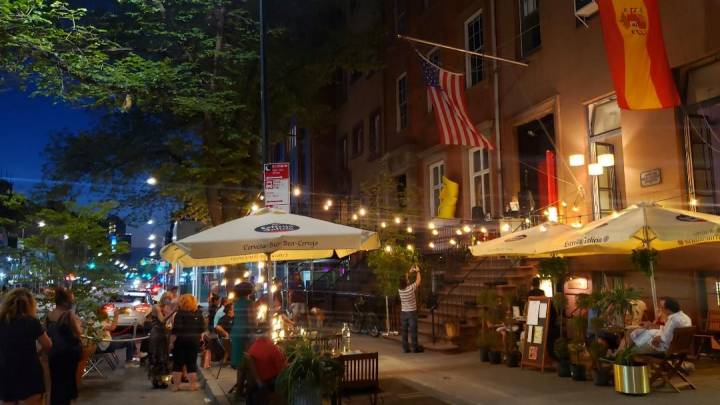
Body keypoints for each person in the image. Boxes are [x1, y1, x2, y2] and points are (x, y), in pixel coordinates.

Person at [0, 288, 53, 405]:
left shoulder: (2, 321)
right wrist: (39, 352)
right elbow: (48, 344)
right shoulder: (31, 321)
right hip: (29, 369)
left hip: (5, 369)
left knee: (7, 401)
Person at [46, 287, 82, 405]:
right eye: (71, 300)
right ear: (65, 302)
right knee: (67, 382)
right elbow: (78, 332)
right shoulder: (68, 315)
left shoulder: (49, 315)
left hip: (54, 353)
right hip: (68, 354)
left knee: (56, 381)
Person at [170, 294, 206, 391]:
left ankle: (176, 386)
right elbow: (201, 329)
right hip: (194, 341)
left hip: (180, 341)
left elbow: (176, 331)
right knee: (191, 363)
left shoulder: (180, 314)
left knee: (177, 363)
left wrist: (171, 343)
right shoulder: (199, 313)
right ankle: (192, 385)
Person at [246, 330, 286, 405]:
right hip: (269, 383)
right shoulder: (273, 348)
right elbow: (282, 369)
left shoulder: (253, 347)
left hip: (257, 382)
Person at [148, 292, 176, 389]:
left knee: (164, 356)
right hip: (156, 333)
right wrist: (173, 311)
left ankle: (163, 380)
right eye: (168, 298)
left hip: (164, 333)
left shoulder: (166, 308)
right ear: (164, 298)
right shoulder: (156, 307)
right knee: (157, 356)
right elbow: (162, 320)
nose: (169, 300)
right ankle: (156, 380)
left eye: (171, 299)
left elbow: (170, 322)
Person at [231, 282, 254, 397]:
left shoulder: (236, 303)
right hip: (245, 334)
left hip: (236, 332)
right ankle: (242, 391)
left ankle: (239, 391)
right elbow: (251, 321)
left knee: (241, 363)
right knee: (247, 362)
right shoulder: (250, 303)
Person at [398, 265, 423, 353]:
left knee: (404, 331)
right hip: (411, 312)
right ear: (406, 282)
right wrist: (418, 271)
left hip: (404, 313)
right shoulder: (410, 289)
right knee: (413, 331)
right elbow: (418, 281)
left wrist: (410, 271)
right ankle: (415, 348)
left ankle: (406, 348)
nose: (408, 279)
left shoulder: (400, 289)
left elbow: (404, 278)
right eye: (407, 279)